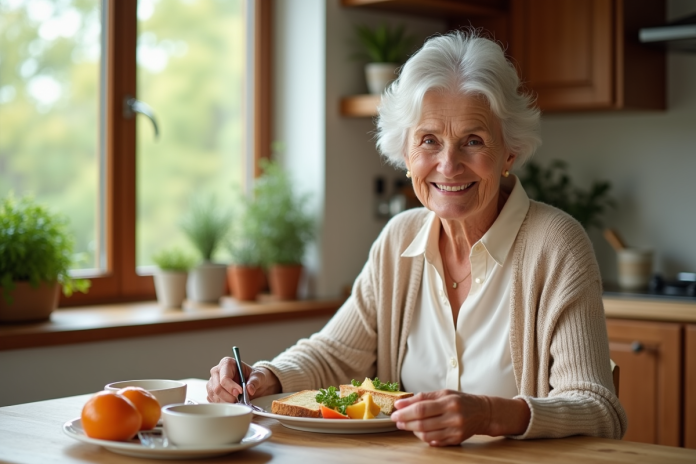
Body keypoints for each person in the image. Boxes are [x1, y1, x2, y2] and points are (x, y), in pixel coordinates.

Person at [207, 31, 627, 446]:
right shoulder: (399, 239)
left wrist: (491, 413)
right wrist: (264, 376)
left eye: (473, 141)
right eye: (429, 141)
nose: (448, 164)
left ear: (509, 153)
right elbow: (335, 352)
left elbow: (598, 408)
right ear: (406, 155)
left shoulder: (556, 245)